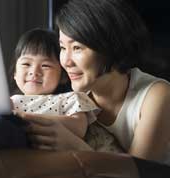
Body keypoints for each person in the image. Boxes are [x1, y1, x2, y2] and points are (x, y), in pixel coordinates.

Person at [17, 0, 170, 177]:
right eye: (62, 47)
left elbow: (138, 173)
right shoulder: (76, 96)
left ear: (110, 47)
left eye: (76, 48)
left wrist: (75, 146)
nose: (66, 61)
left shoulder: (157, 95)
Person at [0, 28, 121, 155]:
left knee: (4, 124)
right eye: (26, 64)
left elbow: (78, 126)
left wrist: (22, 117)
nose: (34, 71)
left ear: (63, 76)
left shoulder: (70, 98)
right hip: (0, 129)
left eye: (45, 65)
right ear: (14, 73)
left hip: (29, 136)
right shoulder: (7, 100)